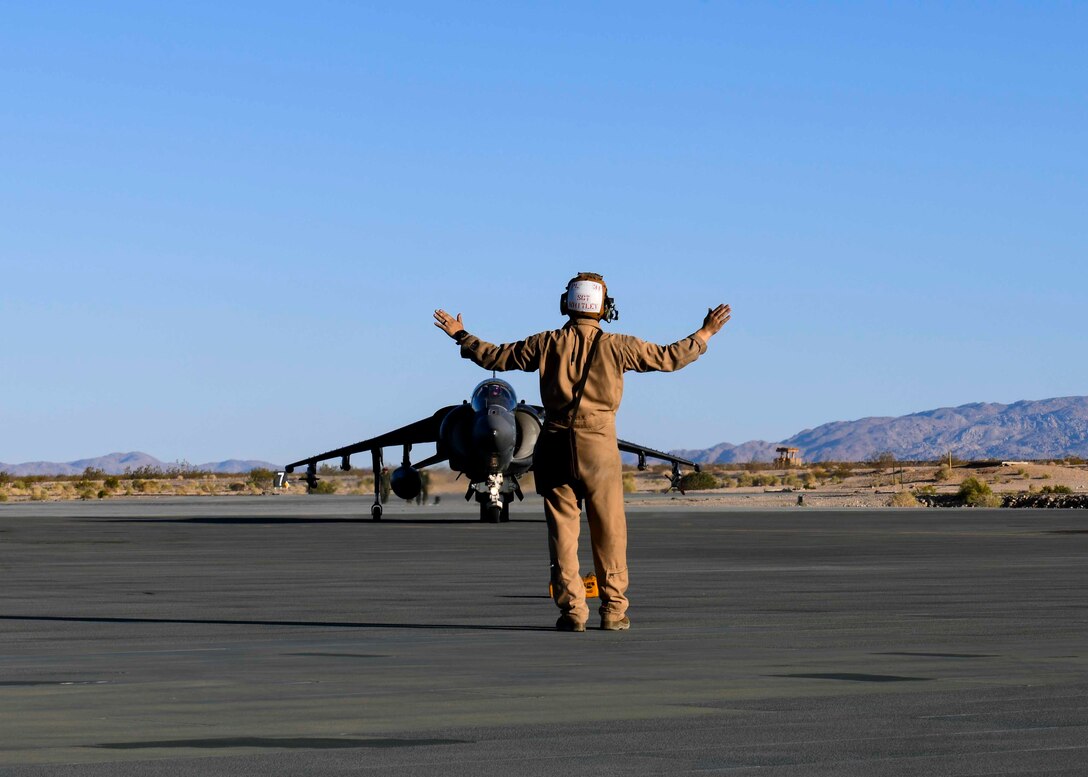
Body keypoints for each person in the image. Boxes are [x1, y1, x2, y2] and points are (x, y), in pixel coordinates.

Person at [434, 272, 730, 632]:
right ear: (604, 309)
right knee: (609, 531)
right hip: (600, 446)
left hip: (554, 442)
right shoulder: (618, 345)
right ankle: (614, 610)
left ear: (566, 304)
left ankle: (573, 612)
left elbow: (495, 356)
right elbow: (669, 357)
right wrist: (706, 332)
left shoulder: (546, 343)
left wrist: (460, 335)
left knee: (563, 532)